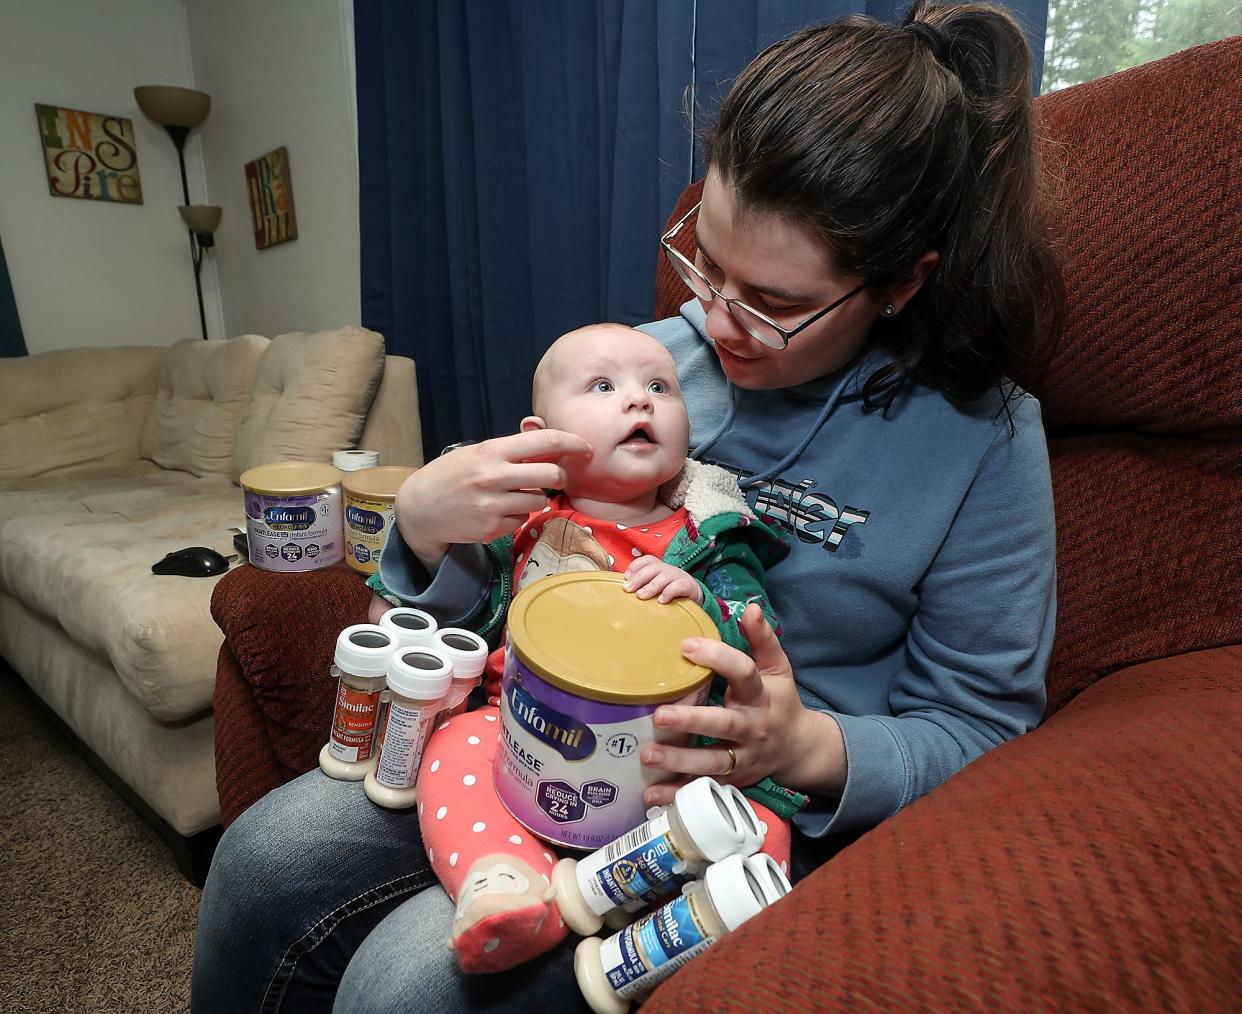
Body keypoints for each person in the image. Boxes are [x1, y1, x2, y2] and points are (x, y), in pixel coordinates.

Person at [192, 3, 1061, 1011]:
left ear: (902, 285)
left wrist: (806, 747)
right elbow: (504, 572)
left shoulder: (980, 437)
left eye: (773, 304)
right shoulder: (644, 364)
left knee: (403, 987)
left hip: (718, 804)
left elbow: (985, 731)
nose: (713, 324)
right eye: (707, 261)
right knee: (260, 860)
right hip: (526, 729)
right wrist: (424, 527)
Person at [363, 322, 792, 974]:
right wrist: (427, 542)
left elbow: (754, 640)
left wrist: (701, 603)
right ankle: (508, 889)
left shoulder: (712, 536)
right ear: (540, 437)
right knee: (453, 748)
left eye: (659, 387)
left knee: (762, 829)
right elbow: (464, 621)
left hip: (663, 764)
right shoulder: (522, 520)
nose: (639, 401)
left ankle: (670, 937)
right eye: (603, 385)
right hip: (523, 741)